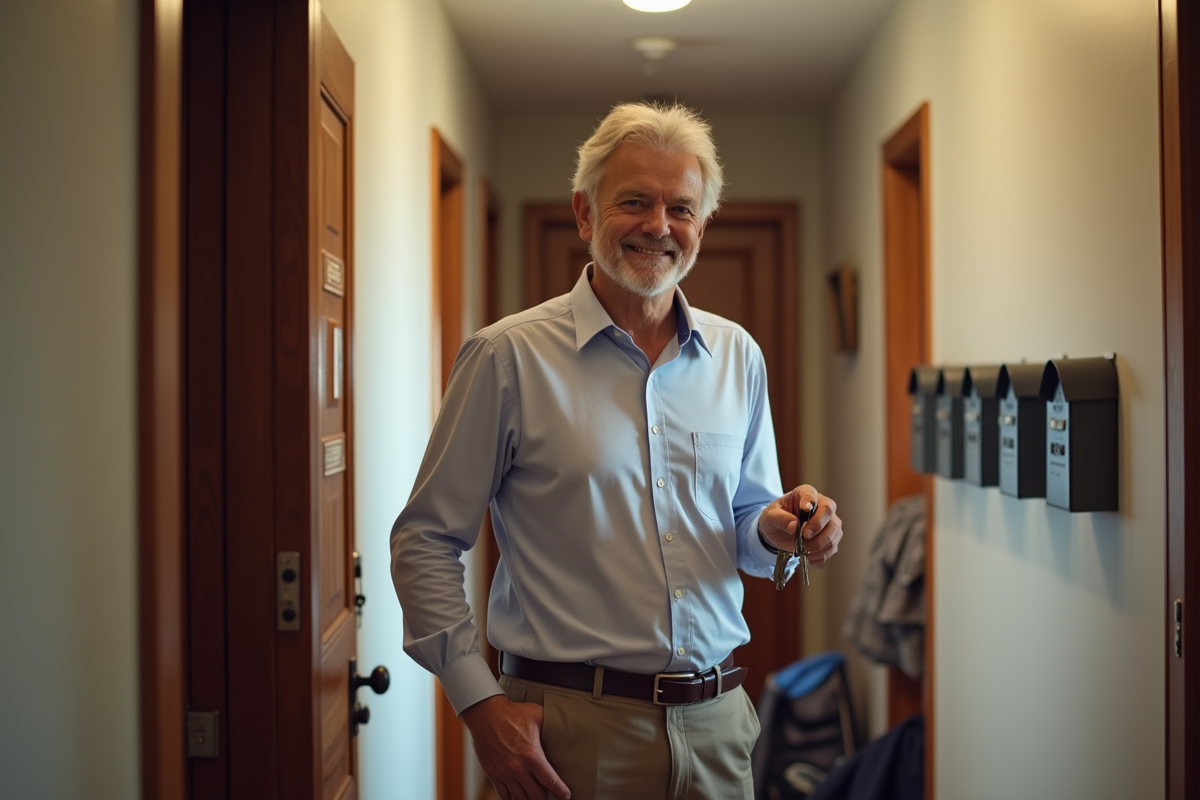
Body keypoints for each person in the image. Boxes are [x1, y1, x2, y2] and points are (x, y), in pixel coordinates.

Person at [391, 102, 844, 800]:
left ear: (703, 223)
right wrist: (479, 706)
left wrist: (780, 529)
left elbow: (750, 528)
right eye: (634, 201)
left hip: (719, 728)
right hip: (568, 733)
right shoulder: (506, 358)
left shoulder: (738, 357)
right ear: (584, 213)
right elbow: (424, 541)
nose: (659, 226)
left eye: (681, 208)